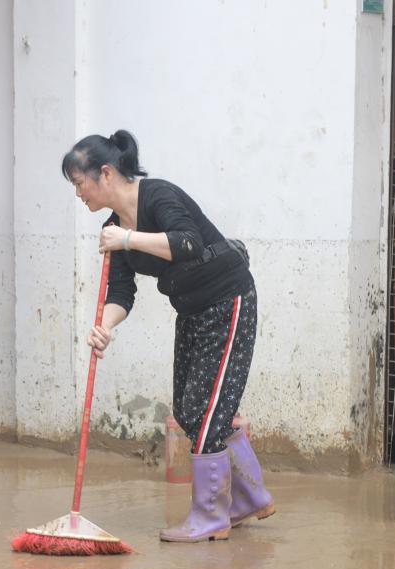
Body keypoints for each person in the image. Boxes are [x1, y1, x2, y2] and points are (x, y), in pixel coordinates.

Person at [61, 130, 274, 543]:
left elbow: (188, 243)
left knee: (209, 411)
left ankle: (211, 517)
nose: (78, 193)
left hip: (228, 299)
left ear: (104, 174)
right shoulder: (111, 229)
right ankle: (250, 498)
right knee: (191, 410)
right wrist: (105, 326)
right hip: (191, 309)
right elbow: (122, 293)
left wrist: (127, 238)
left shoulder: (157, 196)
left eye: (78, 182)